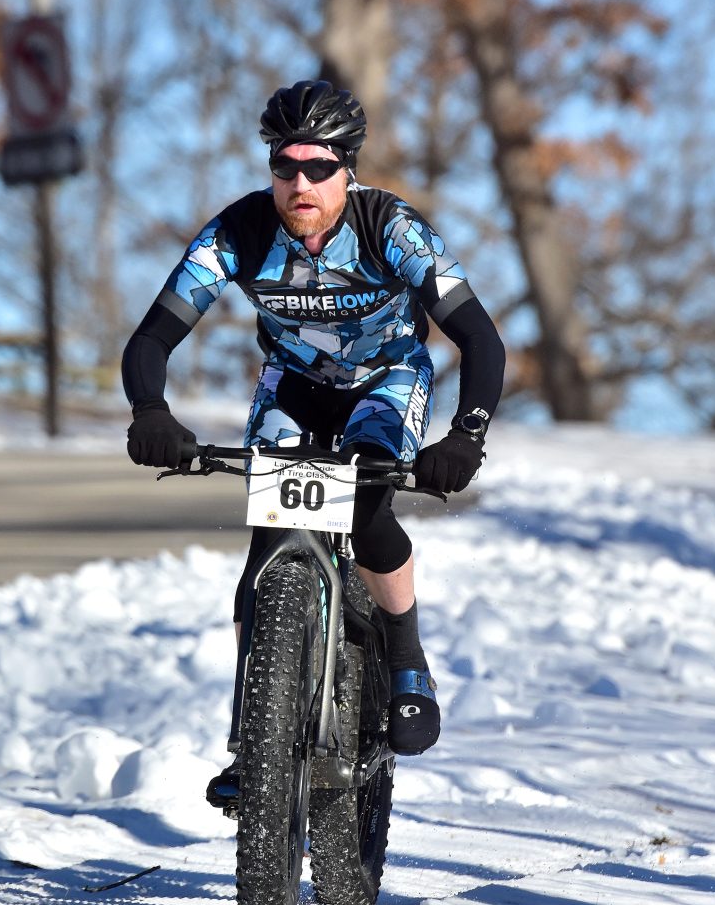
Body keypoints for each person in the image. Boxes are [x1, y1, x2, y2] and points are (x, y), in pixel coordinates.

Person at [122, 79, 505, 810]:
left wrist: (466, 435)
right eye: (284, 165)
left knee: (362, 507)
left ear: (347, 169)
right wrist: (151, 411)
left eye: (318, 167)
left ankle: (405, 655)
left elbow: (479, 338)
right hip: (292, 385)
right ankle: (253, 738)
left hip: (386, 379)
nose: (300, 183)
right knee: (267, 539)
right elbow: (154, 335)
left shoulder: (392, 228)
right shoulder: (237, 232)